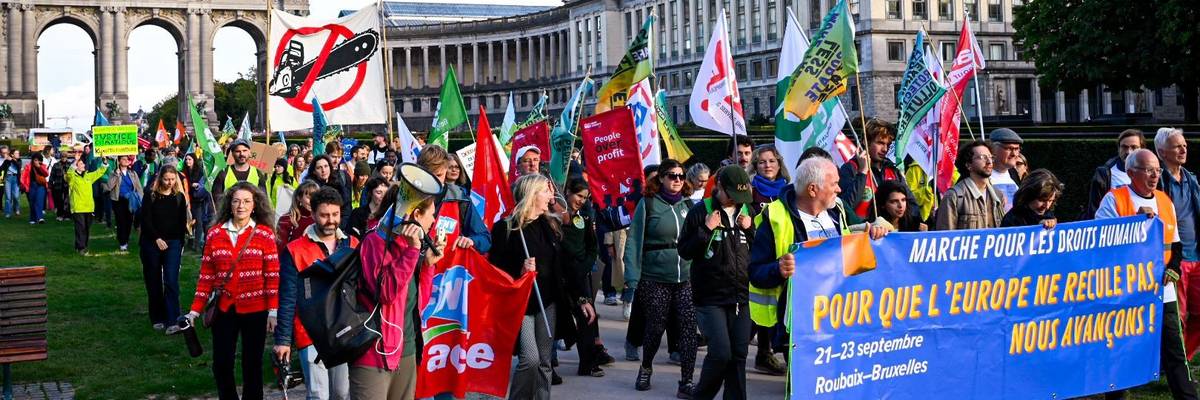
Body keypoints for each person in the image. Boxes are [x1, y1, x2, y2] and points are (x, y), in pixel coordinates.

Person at [749, 157, 888, 364]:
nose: (839, 190)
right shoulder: (775, 217)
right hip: (801, 327)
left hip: (839, 319)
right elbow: (755, 272)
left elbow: (851, 250)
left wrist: (875, 232)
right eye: (834, 184)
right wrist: (778, 269)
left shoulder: (836, 210)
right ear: (813, 190)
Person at [1094, 149, 1197, 400]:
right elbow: (1100, 240)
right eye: (1148, 170)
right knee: (1120, 349)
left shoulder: (1164, 200)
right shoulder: (1114, 199)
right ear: (1130, 173)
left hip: (1162, 290)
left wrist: (1172, 270)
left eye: (1157, 170)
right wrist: (1133, 224)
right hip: (1125, 291)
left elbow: (1175, 245)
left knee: (1175, 350)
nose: (1154, 175)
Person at [490, 174, 594, 400]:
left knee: (545, 363)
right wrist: (519, 270)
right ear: (532, 194)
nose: (551, 196)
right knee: (530, 359)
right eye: (546, 191)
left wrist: (583, 299)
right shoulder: (506, 228)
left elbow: (565, 265)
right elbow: (494, 270)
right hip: (521, 305)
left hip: (548, 302)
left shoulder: (549, 225)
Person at [351, 167, 446, 400]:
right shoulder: (375, 241)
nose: (434, 219)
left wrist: (427, 265)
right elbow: (385, 293)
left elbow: (416, 301)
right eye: (431, 214)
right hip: (374, 353)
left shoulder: (408, 244)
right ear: (415, 216)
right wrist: (413, 251)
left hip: (407, 349)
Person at [184, 182, 280, 400]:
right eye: (236, 201)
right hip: (224, 309)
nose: (241, 206)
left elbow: (273, 277)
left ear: (255, 205)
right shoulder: (215, 234)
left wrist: (273, 311)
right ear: (229, 204)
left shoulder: (265, 235)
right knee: (221, 363)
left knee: (252, 364)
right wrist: (194, 311)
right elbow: (206, 277)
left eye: (247, 201)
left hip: (256, 309)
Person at [678, 165, 755, 399]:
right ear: (719, 187)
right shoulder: (700, 212)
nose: (736, 200)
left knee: (739, 354)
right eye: (731, 194)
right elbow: (685, 250)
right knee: (721, 353)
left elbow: (757, 248)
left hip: (740, 296)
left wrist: (751, 229)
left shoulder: (746, 211)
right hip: (710, 297)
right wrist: (705, 229)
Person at [624, 160, 699, 396]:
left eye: (681, 175)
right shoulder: (648, 203)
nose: (677, 180)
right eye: (671, 176)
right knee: (655, 327)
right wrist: (632, 277)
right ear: (661, 179)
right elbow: (634, 241)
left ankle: (686, 380)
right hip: (654, 276)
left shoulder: (690, 205)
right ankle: (646, 367)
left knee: (688, 328)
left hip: (685, 277)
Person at [274, 187, 354, 400]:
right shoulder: (294, 249)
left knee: (342, 393)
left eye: (335, 215)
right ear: (313, 214)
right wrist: (283, 339)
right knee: (318, 395)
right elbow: (288, 297)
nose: (331, 220)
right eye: (324, 215)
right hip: (309, 332)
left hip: (345, 330)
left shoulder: (353, 244)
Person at [1155, 127, 1200, 357]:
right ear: (1162, 152)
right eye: (1177, 146)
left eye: (1184, 145)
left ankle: (1184, 358)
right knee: (1178, 317)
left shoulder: (1191, 178)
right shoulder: (1158, 181)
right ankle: (1175, 365)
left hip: (1197, 257)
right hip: (1175, 259)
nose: (1183, 149)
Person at [561, 177, 609, 378]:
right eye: (578, 196)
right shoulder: (554, 219)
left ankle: (587, 363)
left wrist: (585, 266)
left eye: (585, 198)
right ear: (568, 192)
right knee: (559, 319)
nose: (581, 200)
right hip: (561, 277)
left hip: (581, 277)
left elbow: (592, 247)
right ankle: (549, 361)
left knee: (587, 318)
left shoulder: (586, 219)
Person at [140, 165, 191, 334]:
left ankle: (173, 319)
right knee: (153, 280)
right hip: (151, 242)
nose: (169, 183)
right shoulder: (151, 195)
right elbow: (145, 219)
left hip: (173, 243)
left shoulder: (179, 197)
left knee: (171, 280)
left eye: (172, 179)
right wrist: (156, 238)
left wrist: (180, 243)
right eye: (166, 179)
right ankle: (157, 316)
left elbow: (182, 221)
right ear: (160, 179)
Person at [416, 145, 492, 254]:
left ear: (445, 171)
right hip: (410, 268)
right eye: (429, 174)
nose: (434, 180)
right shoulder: (403, 196)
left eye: (439, 175)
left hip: (446, 268)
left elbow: (485, 238)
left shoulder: (460, 198)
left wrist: (471, 241)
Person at [838, 118, 916, 220]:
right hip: (862, 232)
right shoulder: (850, 168)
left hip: (891, 233)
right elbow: (845, 207)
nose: (885, 149)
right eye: (880, 143)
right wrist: (862, 173)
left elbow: (911, 205)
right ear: (865, 141)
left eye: (888, 144)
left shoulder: (892, 170)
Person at [935, 141, 1005, 230]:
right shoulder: (954, 196)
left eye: (991, 157)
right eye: (982, 157)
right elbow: (946, 236)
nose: (989, 161)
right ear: (968, 165)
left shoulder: (998, 195)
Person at [1083, 129, 1146, 219]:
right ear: (1118, 149)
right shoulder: (1105, 174)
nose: (1128, 151)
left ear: (1142, 149)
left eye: (1134, 147)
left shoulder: (1152, 173)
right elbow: (1095, 208)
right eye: (1124, 147)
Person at [66, 155, 109, 255]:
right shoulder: (73, 177)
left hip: (89, 207)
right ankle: (81, 248)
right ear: (76, 167)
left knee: (86, 228)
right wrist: (74, 161)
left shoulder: (88, 176)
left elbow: (99, 172)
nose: (84, 165)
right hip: (78, 207)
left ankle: (82, 245)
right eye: (81, 164)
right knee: (80, 228)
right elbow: (69, 174)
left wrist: (104, 162)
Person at [104, 155, 142, 252]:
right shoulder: (114, 173)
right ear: (119, 161)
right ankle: (122, 242)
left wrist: (142, 199)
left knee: (129, 221)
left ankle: (126, 239)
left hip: (130, 200)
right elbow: (109, 186)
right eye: (123, 159)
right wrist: (116, 175)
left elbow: (138, 187)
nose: (126, 161)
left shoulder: (133, 173)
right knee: (121, 221)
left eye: (127, 159)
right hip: (118, 200)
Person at [183, 154, 215, 252]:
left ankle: (197, 244)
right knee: (188, 221)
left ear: (194, 160)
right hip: (187, 199)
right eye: (186, 159)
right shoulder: (184, 171)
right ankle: (190, 241)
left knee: (199, 222)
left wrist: (197, 186)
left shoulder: (200, 171)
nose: (187, 161)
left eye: (190, 159)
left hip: (198, 200)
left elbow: (204, 184)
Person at [988, 128, 1024, 211]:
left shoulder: (1013, 173)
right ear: (993, 149)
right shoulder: (981, 175)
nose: (1014, 154)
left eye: (1017, 149)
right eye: (1009, 148)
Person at [277, 181, 319, 249]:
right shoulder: (287, 219)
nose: (312, 201)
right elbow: (280, 248)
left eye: (315, 197)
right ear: (299, 198)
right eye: (309, 197)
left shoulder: (320, 219)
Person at [750, 145, 791, 215]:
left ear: (779, 165)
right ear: (755, 167)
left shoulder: (789, 192)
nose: (768, 165)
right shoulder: (750, 190)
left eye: (772, 161)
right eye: (762, 162)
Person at [20, 152, 49, 224]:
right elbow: (23, 176)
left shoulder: (43, 166)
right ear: (32, 160)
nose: (36, 161)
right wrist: (23, 185)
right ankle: (32, 218)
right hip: (31, 186)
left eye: (38, 160)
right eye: (35, 160)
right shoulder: (28, 166)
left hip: (41, 186)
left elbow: (46, 174)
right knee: (32, 202)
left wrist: (39, 166)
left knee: (39, 201)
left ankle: (40, 218)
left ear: (40, 160)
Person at [1, 146, 19, 218]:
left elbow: (18, 166)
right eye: (3, 153)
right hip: (8, 179)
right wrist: (5, 160)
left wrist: (11, 160)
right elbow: (1, 169)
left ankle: (16, 208)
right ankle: (8, 212)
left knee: (16, 196)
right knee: (8, 197)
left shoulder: (18, 160)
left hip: (15, 178)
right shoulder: (6, 161)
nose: (5, 154)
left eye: (6, 152)